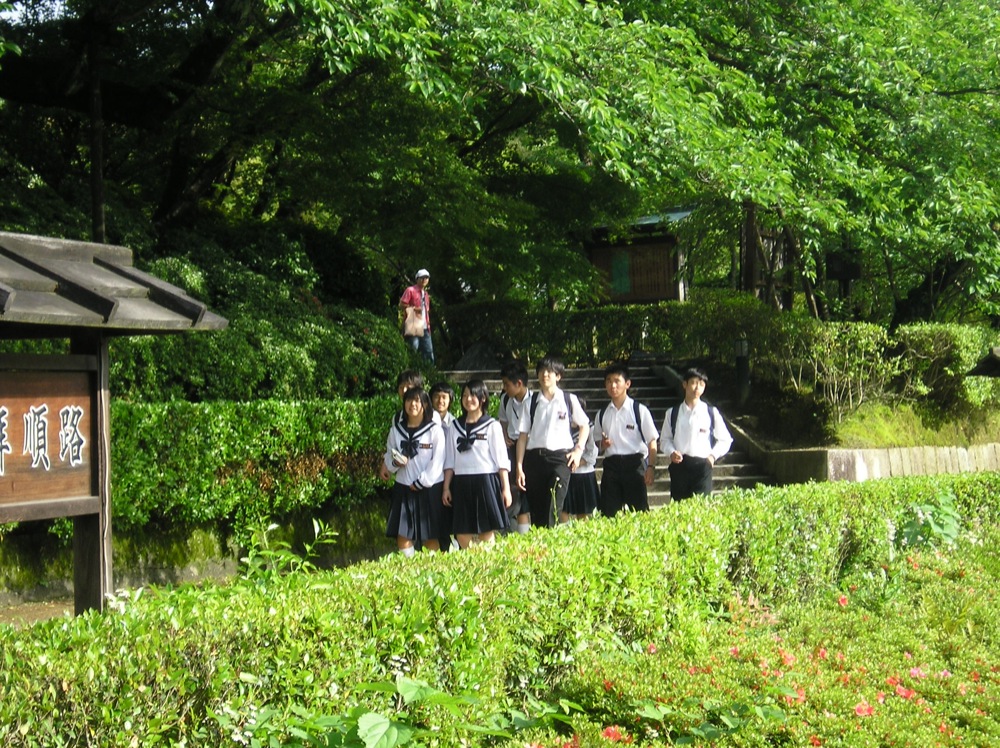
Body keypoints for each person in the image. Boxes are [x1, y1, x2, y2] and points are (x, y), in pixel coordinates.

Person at [515, 356, 590, 528]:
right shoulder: (531, 402)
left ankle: (554, 545)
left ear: (558, 376)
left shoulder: (569, 400)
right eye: (541, 371)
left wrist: (578, 450)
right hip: (534, 460)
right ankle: (542, 550)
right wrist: (519, 466)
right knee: (537, 509)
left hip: (560, 459)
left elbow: (584, 425)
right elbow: (522, 437)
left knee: (554, 506)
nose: (545, 375)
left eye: (549, 371)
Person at [442, 379, 512, 548]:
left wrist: (506, 488)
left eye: (473, 395)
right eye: (465, 395)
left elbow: (501, 460)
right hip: (461, 482)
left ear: (483, 399)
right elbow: (449, 460)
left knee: (486, 530)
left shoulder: (492, 425)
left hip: (485, 481)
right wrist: (446, 488)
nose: (468, 399)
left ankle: (487, 567)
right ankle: (468, 564)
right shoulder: (454, 426)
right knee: (462, 530)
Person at [378, 387, 445, 556]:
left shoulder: (434, 430)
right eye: (409, 400)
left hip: (429, 488)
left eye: (417, 400)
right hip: (403, 487)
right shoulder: (396, 431)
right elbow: (389, 455)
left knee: (430, 535)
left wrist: (423, 481)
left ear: (425, 405)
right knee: (403, 534)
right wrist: (395, 462)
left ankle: (432, 571)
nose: (413, 404)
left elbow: (438, 460)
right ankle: (410, 569)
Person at [593, 361, 659, 516]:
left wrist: (651, 467)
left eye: (617, 381)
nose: (612, 386)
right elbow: (597, 443)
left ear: (627, 384)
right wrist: (602, 444)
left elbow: (652, 441)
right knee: (609, 514)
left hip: (634, 465)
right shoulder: (602, 414)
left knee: (640, 513)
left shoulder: (639, 410)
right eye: (609, 381)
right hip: (611, 467)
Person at [659, 367, 733, 501]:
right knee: (679, 510)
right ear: (684, 384)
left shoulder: (711, 412)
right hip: (679, 466)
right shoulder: (672, 413)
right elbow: (664, 440)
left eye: (701, 384)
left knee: (701, 509)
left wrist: (712, 456)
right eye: (693, 382)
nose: (697, 387)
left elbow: (725, 439)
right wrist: (671, 452)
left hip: (702, 466)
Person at [498, 359, 532, 534]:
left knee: (527, 491)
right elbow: (502, 421)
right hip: (511, 450)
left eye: (506, 384)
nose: (504, 388)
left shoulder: (535, 400)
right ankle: (515, 533)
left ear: (519, 383)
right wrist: (504, 436)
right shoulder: (505, 400)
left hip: (530, 450)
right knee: (514, 490)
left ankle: (525, 533)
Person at [561, 395, 599, 522]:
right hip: (566, 474)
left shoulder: (590, 427)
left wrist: (577, 462)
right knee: (563, 509)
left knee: (582, 513)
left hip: (583, 474)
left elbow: (593, 452)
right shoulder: (562, 425)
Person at [429, 381, 457, 549]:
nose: (440, 401)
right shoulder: (425, 423)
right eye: (437, 397)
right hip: (431, 479)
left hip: (451, 478)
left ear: (450, 400)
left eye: (444, 397)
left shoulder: (455, 424)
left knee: (450, 518)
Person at [399, 268, 434, 364]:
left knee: (428, 353)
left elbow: (426, 311)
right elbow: (402, 304)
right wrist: (414, 308)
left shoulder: (426, 294)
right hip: (413, 325)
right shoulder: (410, 290)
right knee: (413, 350)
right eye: (422, 277)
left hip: (425, 327)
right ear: (417, 279)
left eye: (426, 278)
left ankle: (429, 375)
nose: (424, 280)